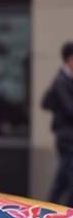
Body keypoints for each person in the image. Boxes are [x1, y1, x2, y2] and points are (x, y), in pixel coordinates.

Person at [42, 41, 73, 206]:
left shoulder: (66, 80)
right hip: (67, 137)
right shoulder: (61, 81)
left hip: (67, 135)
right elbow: (69, 107)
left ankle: (48, 209)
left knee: (62, 179)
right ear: (69, 59)